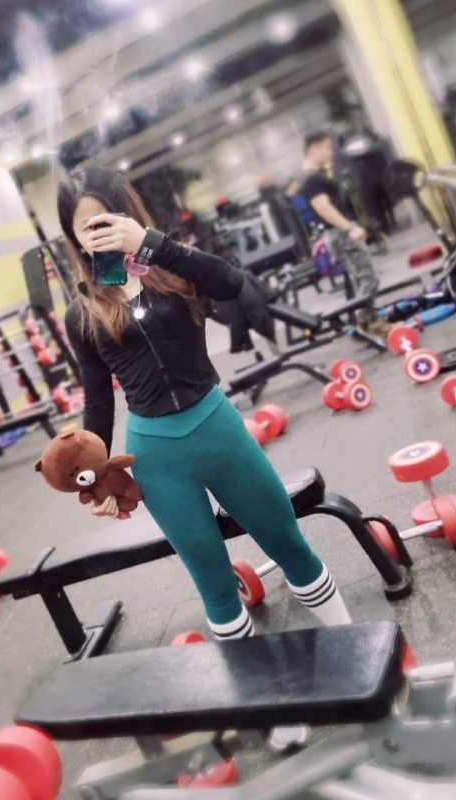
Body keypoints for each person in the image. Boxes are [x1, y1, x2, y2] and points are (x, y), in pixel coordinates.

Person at [57, 166, 351, 648]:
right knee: (214, 585)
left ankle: (353, 644)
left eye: (105, 219)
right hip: (156, 455)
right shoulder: (82, 312)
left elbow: (232, 283)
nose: (98, 233)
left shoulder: (170, 266)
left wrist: (149, 244)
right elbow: (98, 399)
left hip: (218, 429)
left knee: (290, 546)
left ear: (126, 213)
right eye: (85, 228)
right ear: (73, 238)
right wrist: (96, 477)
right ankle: (261, 694)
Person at [300, 131, 388, 334]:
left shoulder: (315, 176)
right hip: (341, 233)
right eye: (327, 148)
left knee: (361, 278)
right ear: (313, 149)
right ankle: (369, 323)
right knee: (368, 278)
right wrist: (349, 228)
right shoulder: (312, 179)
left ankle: (366, 324)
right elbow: (323, 208)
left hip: (338, 233)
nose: (331, 152)